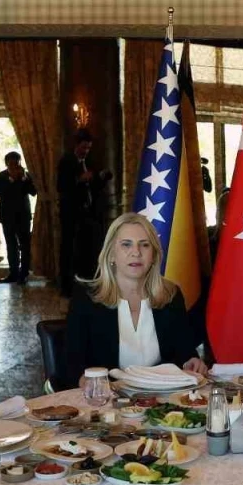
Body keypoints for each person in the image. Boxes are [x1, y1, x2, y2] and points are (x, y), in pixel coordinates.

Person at [63, 213, 208, 387]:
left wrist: (191, 362)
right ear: (111, 254)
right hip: (109, 398)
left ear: (153, 255)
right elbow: (71, 365)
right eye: (126, 244)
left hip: (163, 398)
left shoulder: (171, 296)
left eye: (144, 245)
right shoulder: (86, 299)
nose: (136, 253)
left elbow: (185, 353)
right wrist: (86, 382)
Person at [57, 129, 109, 295]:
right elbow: (61, 186)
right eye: (84, 147)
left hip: (89, 214)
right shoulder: (66, 161)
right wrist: (79, 179)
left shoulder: (90, 161)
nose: (86, 151)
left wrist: (101, 178)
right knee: (69, 249)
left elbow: (93, 187)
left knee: (87, 249)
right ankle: (67, 287)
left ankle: (86, 284)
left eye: (88, 148)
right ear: (77, 145)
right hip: (71, 214)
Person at [0, 150, 37, 284]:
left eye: (17, 163)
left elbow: (34, 192)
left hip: (23, 215)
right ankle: (13, 273)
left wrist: (24, 179)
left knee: (25, 245)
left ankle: (24, 274)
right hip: (7, 216)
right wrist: (11, 179)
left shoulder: (26, 176)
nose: (14, 166)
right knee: (11, 246)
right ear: (6, 163)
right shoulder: (0, 176)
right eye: (11, 164)